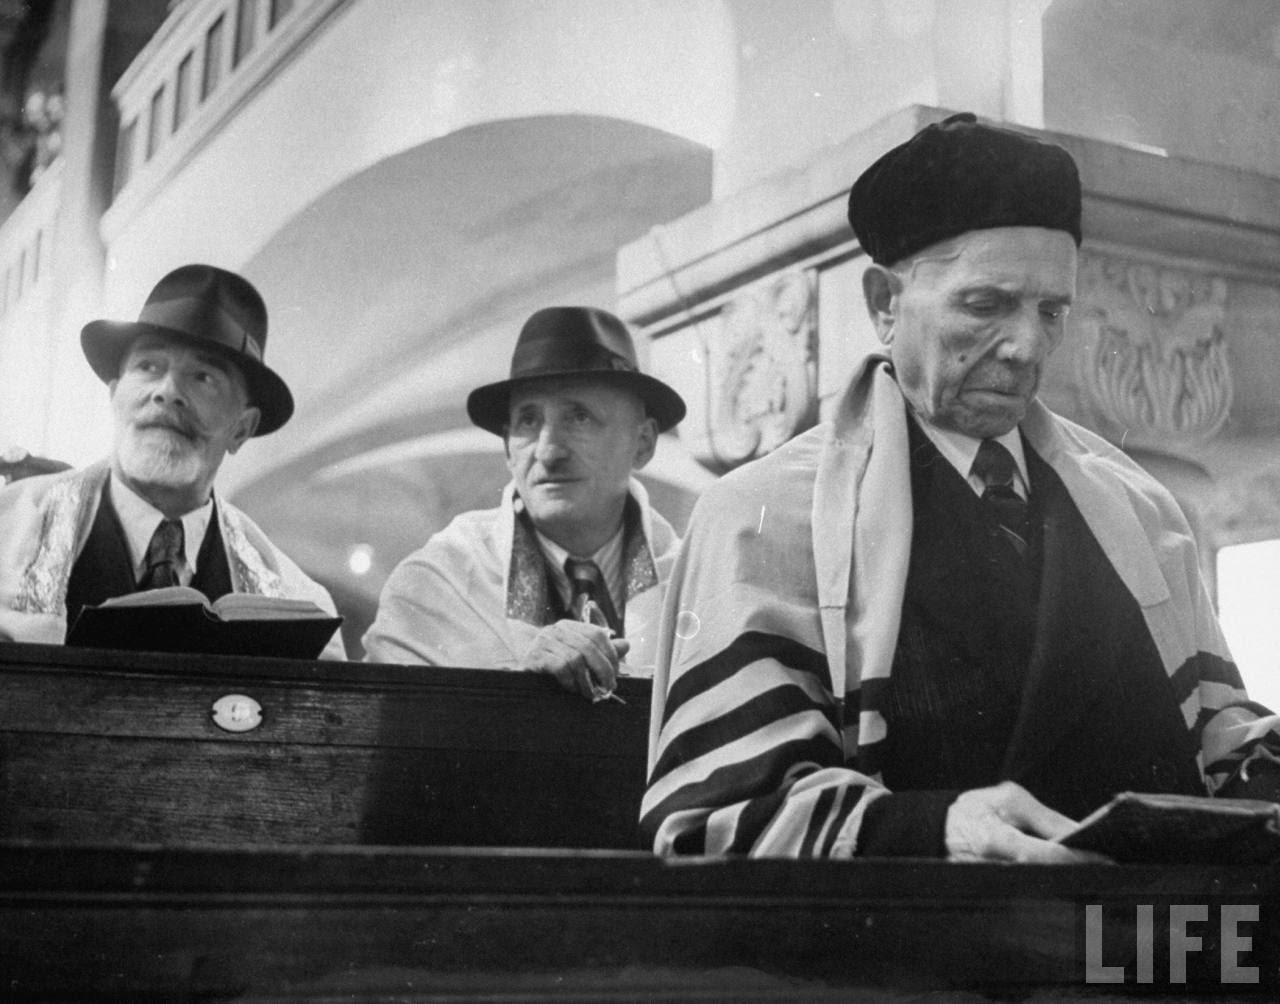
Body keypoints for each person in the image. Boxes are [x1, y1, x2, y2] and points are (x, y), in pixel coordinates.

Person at [641, 113, 1280, 861]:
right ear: (884, 302)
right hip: (919, 960)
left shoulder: (1140, 509)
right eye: (986, 306)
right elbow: (722, 812)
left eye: (1053, 311)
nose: (1026, 346)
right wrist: (940, 828)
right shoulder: (761, 517)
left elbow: (1217, 734)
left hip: (1141, 948)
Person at [0, 264, 346, 659]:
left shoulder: (295, 601)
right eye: (148, 366)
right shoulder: (7, 532)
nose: (167, 392)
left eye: (203, 377)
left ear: (242, 429)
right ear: (115, 394)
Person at [364, 305, 684, 700]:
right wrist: (517, 684)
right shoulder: (437, 581)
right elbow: (387, 730)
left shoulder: (691, 583)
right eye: (528, 421)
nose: (548, 451)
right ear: (507, 448)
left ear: (644, 442)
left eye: (579, 417)